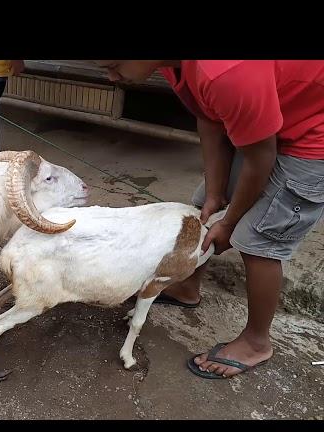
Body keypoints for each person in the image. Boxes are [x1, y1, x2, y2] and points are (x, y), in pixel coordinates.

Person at [96, 60, 324, 379]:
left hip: (312, 135)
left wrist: (230, 223)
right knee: (204, 207)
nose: (110, 75)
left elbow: (261, 156)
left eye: (114, 64)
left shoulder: (226, 72)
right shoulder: (171, 65)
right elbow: (209, 118)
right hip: (269, 123)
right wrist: (216, 194)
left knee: (259, 240)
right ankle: (187, 285)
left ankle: (257, 342)